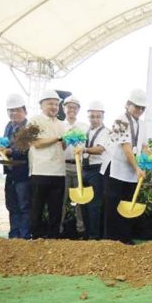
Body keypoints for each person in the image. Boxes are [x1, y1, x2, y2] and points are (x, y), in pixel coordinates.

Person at [101, 89, 149, 244]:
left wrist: (150, 159)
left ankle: (125, 238)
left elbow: (144, 146)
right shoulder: (120, 121)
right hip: (116, 168)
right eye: (137, 106)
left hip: (132, 170)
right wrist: (137, 168)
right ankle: (110, 238)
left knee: (128, 202)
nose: (140, 110)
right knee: (113, 204)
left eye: (142, 108)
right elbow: (127, 148)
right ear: (128, 105)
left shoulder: (142, 124)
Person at [29, 89, 67, 239]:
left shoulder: (61, 124)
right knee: (37, 208)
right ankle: (36, 237)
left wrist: (69, 140)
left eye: (56, 104)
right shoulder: (34, 121)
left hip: (59, 171)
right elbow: (36, 143)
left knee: (56, 209)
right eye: (50, 103)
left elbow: (63, 146)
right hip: (40, 170)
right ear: (42, 105)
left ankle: (53, 238)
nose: (54, 107)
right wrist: (58, 138)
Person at [3, 93, 31, 239]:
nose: (14, 113)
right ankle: (14, 234)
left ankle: (24, 235)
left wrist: (8, 151)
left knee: (24, 206)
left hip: (23, 172)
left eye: (17, 110)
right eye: (11, 110)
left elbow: (24, 149)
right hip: (10, 171)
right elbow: (5, 144)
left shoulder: (29, 127)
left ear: (25, 111)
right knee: (12, 206)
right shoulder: (8, 126)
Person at [60, 95, 89, 237]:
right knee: (62, 199)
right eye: (69, 106)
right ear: (64, 108)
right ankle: (58, 230)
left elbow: (88, 147)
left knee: (79, 200)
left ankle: (81, 230)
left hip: (79, 167)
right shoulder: (59, 126)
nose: (72, 109)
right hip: (63, 167)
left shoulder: (84, 127)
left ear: (78, 110)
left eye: (75, 107)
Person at [81, 100, 110, 239]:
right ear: (88, 117)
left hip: (97, 170)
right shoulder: (86, 131)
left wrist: (84, 149)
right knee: (84, 203)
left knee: (94, 204)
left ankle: (95, 237)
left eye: (98, 116)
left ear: (103, 117)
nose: (95, 119)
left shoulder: (106, 132)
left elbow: (100, 149)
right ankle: (87, 235)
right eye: (92, 116)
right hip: (84, 168)